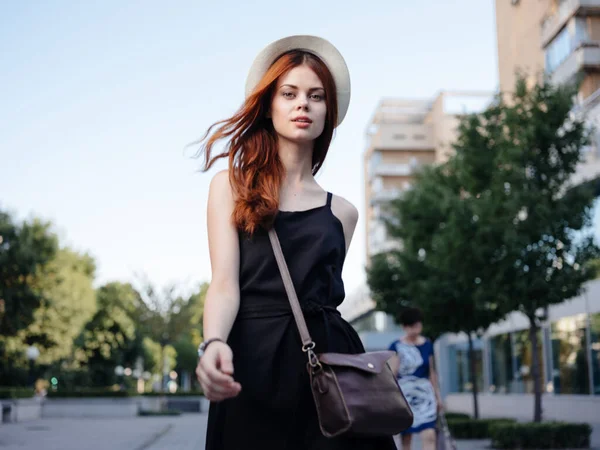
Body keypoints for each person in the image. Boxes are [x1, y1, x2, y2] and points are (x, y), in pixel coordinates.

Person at [194, 35, 397, 450]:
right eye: (289, 93)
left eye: (316, 96)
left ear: (328, 112)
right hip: (252, 365)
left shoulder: (343, 212)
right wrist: (213, 341)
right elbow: (224, 284)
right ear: (269, 105)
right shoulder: (230, 187)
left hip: (329, 370)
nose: (303, 103)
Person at [388, 307, 443, 450]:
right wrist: (390, 398)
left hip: (425, 395)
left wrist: (438, 397)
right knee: (406, 438)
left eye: (418, 324)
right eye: (412, 325)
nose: (416, 328)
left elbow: (432, 373)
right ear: (404, 327)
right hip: (405, 396)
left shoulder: (427, 345)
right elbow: (393, 373)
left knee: (430, 434)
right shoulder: (396, 346)